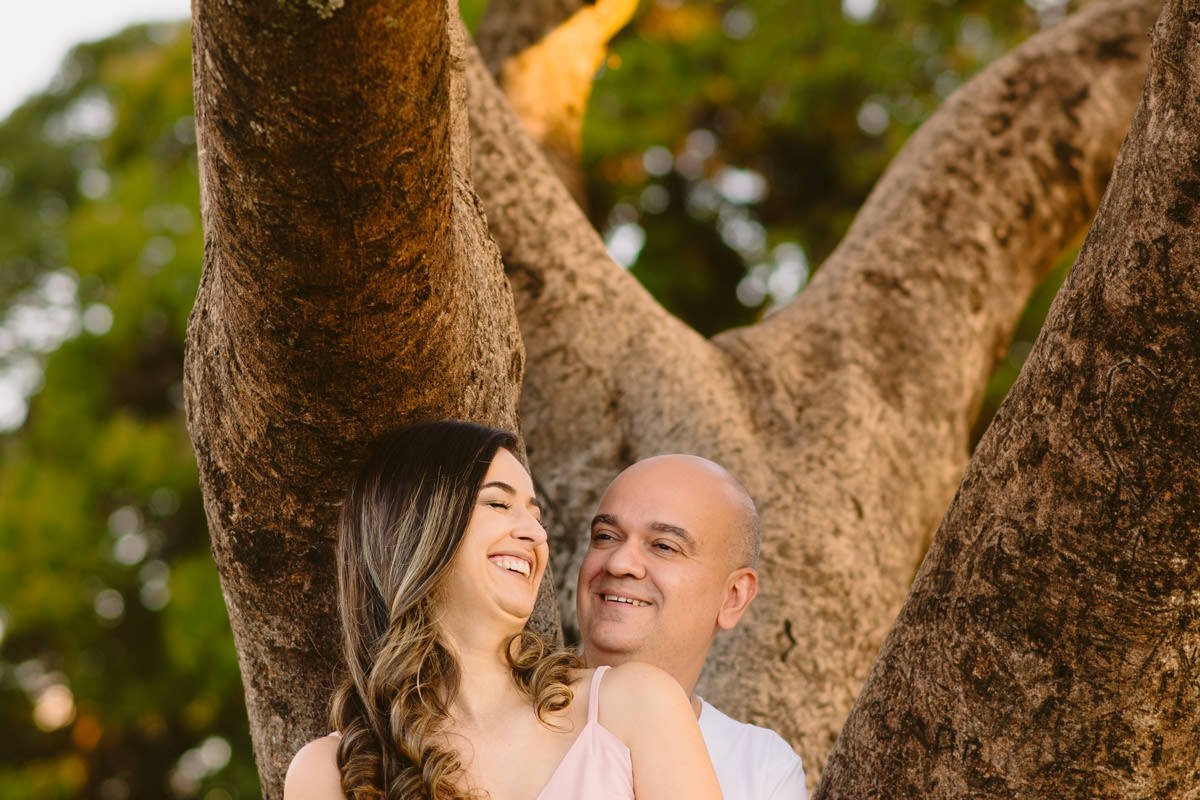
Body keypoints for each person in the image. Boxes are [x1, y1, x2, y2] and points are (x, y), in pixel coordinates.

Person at [284, 421, 721, 800]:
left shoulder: (634, 703)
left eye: (536, 515)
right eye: (497, 503)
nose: (534, 533)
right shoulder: (332, 772)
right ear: (419, 529)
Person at [578, 454, 808, 799]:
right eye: (606, 536)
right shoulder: (505, 707)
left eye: (663, 546)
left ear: (733, 596)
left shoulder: (761, 768)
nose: (620, 562)